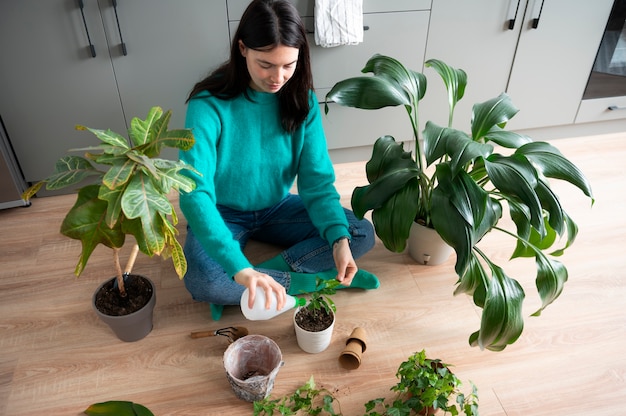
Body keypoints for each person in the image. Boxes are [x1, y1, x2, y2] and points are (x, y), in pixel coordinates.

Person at [179, 0, 379, 321]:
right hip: (223, 212)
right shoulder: (207, 104)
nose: (278, 77)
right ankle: (313, 282)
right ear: (242, 48)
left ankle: (257, 283)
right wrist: (238, 267)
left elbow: (316, 181)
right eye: (266, 64)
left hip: (276, 208)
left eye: (289, 65)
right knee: (204, 280)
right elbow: (194, 192)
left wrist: (337, 239)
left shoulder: (301, 99)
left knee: (357, 233)